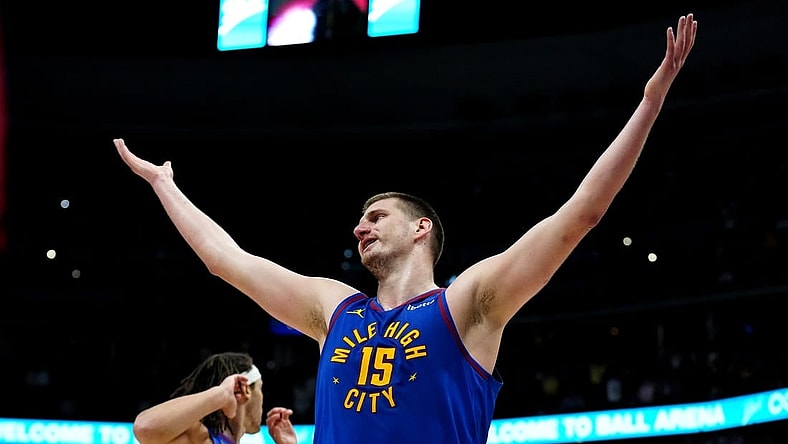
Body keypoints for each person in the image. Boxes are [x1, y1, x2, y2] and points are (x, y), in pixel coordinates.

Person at [114, 13, 698, 444]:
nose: (359, 228)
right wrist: (165, 184)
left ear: (422, 230)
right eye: (360, 220)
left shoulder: (470, 302)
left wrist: (648, 103)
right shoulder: (334, 308)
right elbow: (228, 260)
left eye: (376, 216)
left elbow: (579, 216)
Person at [132, 351, 297, 444]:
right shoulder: (197, 437)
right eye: (260, 388)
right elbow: (144, 427)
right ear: (245, 389)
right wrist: (221, 394)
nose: (263, 397)